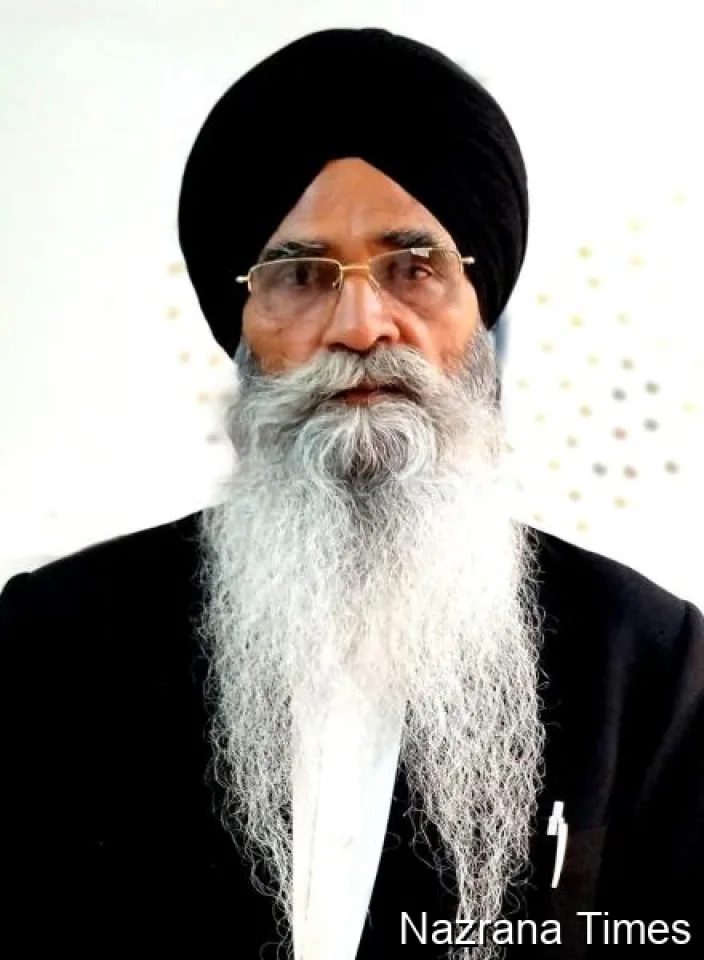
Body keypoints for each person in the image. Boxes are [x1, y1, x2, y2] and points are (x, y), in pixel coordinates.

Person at [1, 27, 702, 960]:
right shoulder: (53, 640)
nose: (363, 324)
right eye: (301, 275)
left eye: (415, 267)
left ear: (481, 311)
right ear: (243, 325)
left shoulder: (648, 662)